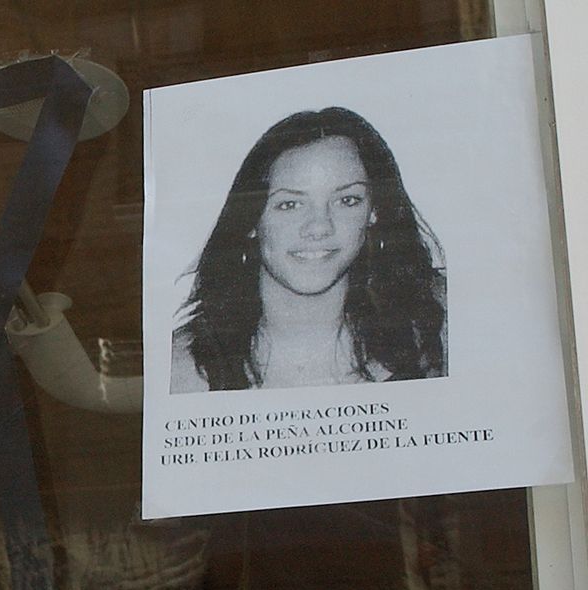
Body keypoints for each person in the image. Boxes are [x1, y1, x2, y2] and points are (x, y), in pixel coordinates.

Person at [170, 107, 446, 392]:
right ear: (251, 219)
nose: (319, 227)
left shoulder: (437, 328)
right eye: (290, 204)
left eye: (347, 200)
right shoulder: (180, 371)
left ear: (374, 211)